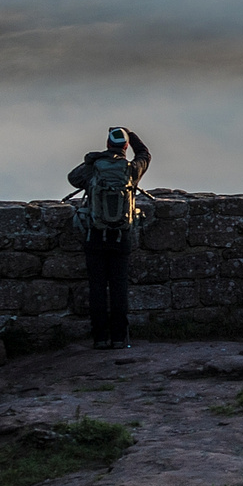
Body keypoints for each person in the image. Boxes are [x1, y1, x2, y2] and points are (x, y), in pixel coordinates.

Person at [68, 126, 151, 350]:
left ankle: (100, 339)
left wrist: (96, 160)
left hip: (95, 234)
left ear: (107, 144)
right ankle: (118, 338)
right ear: (125, 146)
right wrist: (130, 134)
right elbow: (145, 154)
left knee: (97, 287)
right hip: (121, 236)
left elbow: (73, 178)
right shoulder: (132, 169)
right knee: (118, 287)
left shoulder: (94, 167)